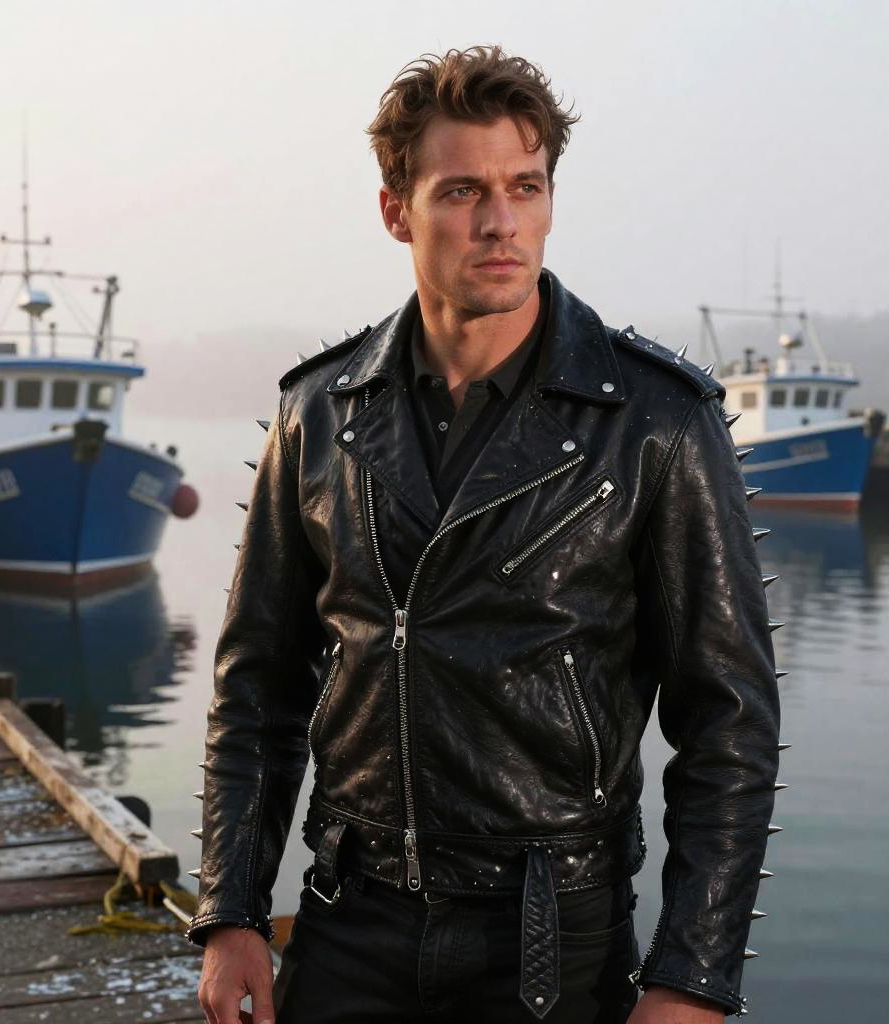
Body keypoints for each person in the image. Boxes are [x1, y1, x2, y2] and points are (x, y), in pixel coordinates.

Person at [188, 46, 782, 1024]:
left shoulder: (655, 421)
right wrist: (231, 910)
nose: (500, 222)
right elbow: (257, 682)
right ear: (396, 210)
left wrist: (690, 981)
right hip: (348, 918)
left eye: (524, 186)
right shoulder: (318, 414)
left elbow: (728, 720)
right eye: (462, 190)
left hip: (554, 932)